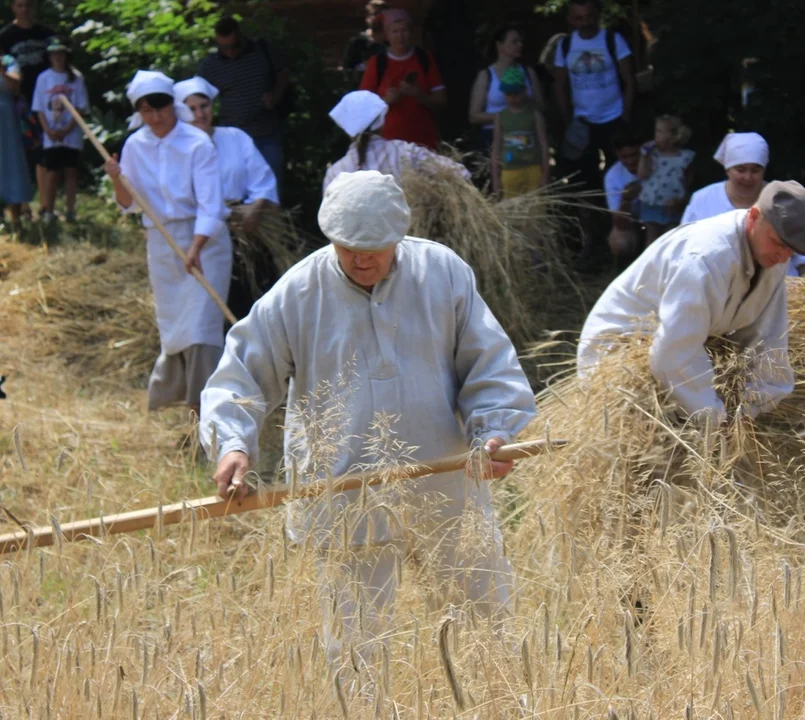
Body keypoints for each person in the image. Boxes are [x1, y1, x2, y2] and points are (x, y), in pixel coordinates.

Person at [198, 170, 537, 663]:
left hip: (444, 482)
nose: (361, 259)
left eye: (375, 247)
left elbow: (488, 363)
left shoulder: (442, 273)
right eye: (347, 246)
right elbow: (239, 378)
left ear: (399, 236)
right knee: (356, 648)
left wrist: (494, 432)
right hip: (346, 493)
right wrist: (232, 443)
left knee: (487, 628)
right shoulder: (297, 294)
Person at [578, 181, 805, 423]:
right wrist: (714, 414)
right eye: (778, 243)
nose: (784, 256)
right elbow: (673, 353)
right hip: (622, 351)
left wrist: (754, 402)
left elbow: (769, 336)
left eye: (791, 251)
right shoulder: (704, 259)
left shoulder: (772, 255)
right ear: (753, 217)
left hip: (683, 341)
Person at [103, 70, 230, 414]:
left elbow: (211, 204)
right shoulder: (135, 145)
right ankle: (176, 400)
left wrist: (197, 246)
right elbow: (128, 203)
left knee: (202, 324)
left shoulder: (196, 143)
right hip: (160, 239)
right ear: (139, 112)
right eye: (148, 110)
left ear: (173, 106)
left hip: (204, 239)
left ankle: (205, 404)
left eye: (161, 107)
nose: (156, 116)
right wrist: (116, 179)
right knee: (174, 323)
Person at [175, 76, 280, 321]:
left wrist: (255, 208)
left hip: (245, 226)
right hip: (201, 231)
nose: (200, 114)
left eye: (204, 106)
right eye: (191, 109)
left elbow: (261, 177)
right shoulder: (178, 148)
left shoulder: (234, 137)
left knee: (256, 286)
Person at [682, 132, 805, 277]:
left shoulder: (784, 200)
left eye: (755, 170)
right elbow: (686, 250)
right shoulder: (703, 199)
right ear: (727, 169)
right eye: (740, 170)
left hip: (785, 292)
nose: (748, 177)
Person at [197, 17, 290, 186]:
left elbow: (283, 74)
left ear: (240, 36)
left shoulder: (261, 51)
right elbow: (196, 93)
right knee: (236, 187)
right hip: (232, 138)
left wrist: (276, 95)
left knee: (272, 186)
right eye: (224, 48)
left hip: (266, 133)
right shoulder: (211, 65)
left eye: (234, 46)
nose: (230, 52)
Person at [553, 0, 635, 191]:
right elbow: (559, 84)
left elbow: (630, 80)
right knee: (584, 175)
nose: (585, 23)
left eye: (589, 17)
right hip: (582, 121)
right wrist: (566, 120)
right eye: (579, 18)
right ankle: (593, 216)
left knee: (620, 172)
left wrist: (626, 116)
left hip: (614, 117)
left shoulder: (613, 40)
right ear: (571, 20)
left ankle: (618, 212)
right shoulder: (565, 45)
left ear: (597, 16)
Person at [323, 90, 469, 193]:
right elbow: (460, 173)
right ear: (382, 120)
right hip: (406, 235)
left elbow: (329, 223)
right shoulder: (406, 153)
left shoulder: (335, 173)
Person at [359, 9, 447, 150]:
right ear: (387, 35)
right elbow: (363, 107)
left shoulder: (424, 59)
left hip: (424, 143)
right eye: (395, 31)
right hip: (388, 145)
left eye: (404, 30)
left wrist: (419, 96)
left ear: (411, 32)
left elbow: (442, 101)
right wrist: (386, 101)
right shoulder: (377, 63)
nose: (400, 36)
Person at [0, 0, 54, 204]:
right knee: (19, 154)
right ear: (13, 7)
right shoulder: (6, 35)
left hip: (47, 101)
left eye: (28, 5)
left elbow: (61, 61)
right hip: (18, 103)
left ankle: (45, 205)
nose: (24, 10)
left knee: (45, 152)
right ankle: (21, 205)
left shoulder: (46, 34)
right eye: (19, 5)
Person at [31, 38, 87, 224]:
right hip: (51, 134)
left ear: (66, 55)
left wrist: (67, 129)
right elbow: (39, 107)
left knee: (71, 172)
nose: (58, 57)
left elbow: (80, 107)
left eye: (61, 53)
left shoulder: (76, 77)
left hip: (71, 133)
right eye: (54, 54)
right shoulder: (43, 78)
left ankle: (70, 210)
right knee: (52, 172)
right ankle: (49, 210)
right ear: (49, 56)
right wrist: (48, 130)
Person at [468, 23, 542, 151]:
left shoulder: (528, 72)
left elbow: (541, 106)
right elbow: (474, 116)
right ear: (499, 45)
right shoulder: (486, 75)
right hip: (494, 135)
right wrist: (508, 115)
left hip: (525, 134)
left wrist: (525, 101)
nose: (520, 45)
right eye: (514, 41)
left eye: (520, 41)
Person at [491, 67, 549, 200]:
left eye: (516, 93)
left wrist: (545, 175)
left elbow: (544, 145)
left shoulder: (534, 115)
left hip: (533, 169)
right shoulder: (501, 117)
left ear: (524, 91)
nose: (513, 98)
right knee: (511, 212)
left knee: (535, 212)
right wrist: (496, 178)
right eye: (508, 94)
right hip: (509, 171)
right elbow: (496, 147)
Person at [637, 114, 693, 245]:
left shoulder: (685, 157)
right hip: (651, 202)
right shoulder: (651, 154)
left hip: (672, 204)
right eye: (656, 131)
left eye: (661, 132)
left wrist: (681, 201)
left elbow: (688, 183)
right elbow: (642, 175)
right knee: (651, 239)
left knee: (671, 238)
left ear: (674, 137)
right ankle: (649, 264)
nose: (656, 135)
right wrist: (644, 156)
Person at [0, 53, 32, 232]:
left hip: (5, 123)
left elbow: (15, 86)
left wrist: (1, 71)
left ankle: (16, 220)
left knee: (11, 166)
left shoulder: (8, 61)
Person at [604, 126, 642, 264]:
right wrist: (626, 200)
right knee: (620, 243)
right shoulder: (612, 176)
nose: (631, 161)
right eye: (625, 157)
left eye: (634, 155)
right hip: (632, 224)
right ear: (617, 155)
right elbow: (619, 224)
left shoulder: (654, 165)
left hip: (659, 220)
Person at [340, 1, 387, 86]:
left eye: (383, 14)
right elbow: (346, 69)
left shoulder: (391, 43)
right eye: (376, 14)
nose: (380, 18)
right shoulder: (357, 43)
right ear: (368, 17)